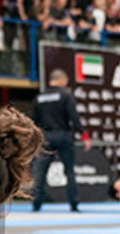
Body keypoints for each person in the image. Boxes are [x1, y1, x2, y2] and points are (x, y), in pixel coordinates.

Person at [31, 69, 90, 212]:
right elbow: (74, 117)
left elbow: (34, 121)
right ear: (62, 81)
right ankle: (74, 203)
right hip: (63, 135)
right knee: (69, 170)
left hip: (45, 136)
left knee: (40, 172)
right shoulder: (65, 95)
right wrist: (84, 136)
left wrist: (34, 142)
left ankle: (36, 203)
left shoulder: (39, 97)